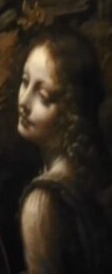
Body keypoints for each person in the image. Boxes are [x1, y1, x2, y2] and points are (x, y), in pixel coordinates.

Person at [17, 30, 112, 273]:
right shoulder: (87, 173)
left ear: (71, 113)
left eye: (44, 96)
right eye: (25, 82)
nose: (24, 102)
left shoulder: (42, 202)